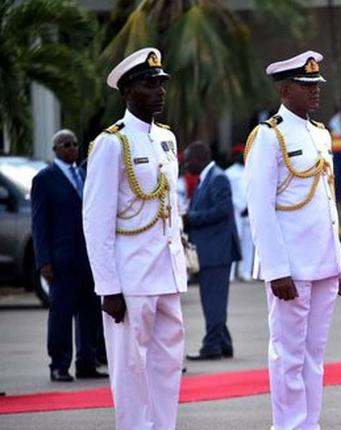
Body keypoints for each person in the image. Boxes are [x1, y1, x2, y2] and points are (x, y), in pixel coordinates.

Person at [83, 47, 187, 430]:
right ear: (127, 92)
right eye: (149, 84)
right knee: (130, 368)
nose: (159, 91)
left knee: (167, 364)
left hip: (166, 270)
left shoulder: (166, 139)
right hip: (130, 276)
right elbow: (96, 220)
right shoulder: (112, 143)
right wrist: (108, 286)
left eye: (161, 84)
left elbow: (170, 208)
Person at [244, 50, 341, 430]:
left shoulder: (320, 134)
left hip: (321, 263)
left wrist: (337, 264)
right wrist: (275, 269)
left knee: (314, 354)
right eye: (307, 86)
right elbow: (261, 208)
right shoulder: (269, 136)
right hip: (290, 266)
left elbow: (328, 205)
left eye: (317, 84)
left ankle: (309, 424)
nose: (315, 91)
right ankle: (288, 425)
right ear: (286, 89)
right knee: (288, 354)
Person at [31, 129, 106, 383]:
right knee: (61, 314)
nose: (72, 148)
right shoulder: (45, 179)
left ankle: (87, 363)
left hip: (89, 259)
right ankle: (59, 365)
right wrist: (43, 261)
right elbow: (39, 223)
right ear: (55, 149)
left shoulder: (84, 174)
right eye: (66, 144)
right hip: (61, 261)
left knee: (89, 314)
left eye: (75, 144)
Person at [183, 142, 240, 360]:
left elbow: (223, 210)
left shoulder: (218, 178)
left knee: (213, 301)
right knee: (211, 299)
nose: (185, 164)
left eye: (188, 160)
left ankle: (211, 346)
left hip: (216, 251)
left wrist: (191, 218)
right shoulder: (208, 178)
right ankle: (224, 343)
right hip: (209, 250)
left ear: (200, 158)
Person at [225, 144, 254, 282]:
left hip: (249, 212)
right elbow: (228, 194)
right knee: (234, 242)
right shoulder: (228, 173)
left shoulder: (250, 170)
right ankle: (230, 274)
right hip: (236, 211)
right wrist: (240, 206)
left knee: (249, 243)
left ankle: (245, 272)